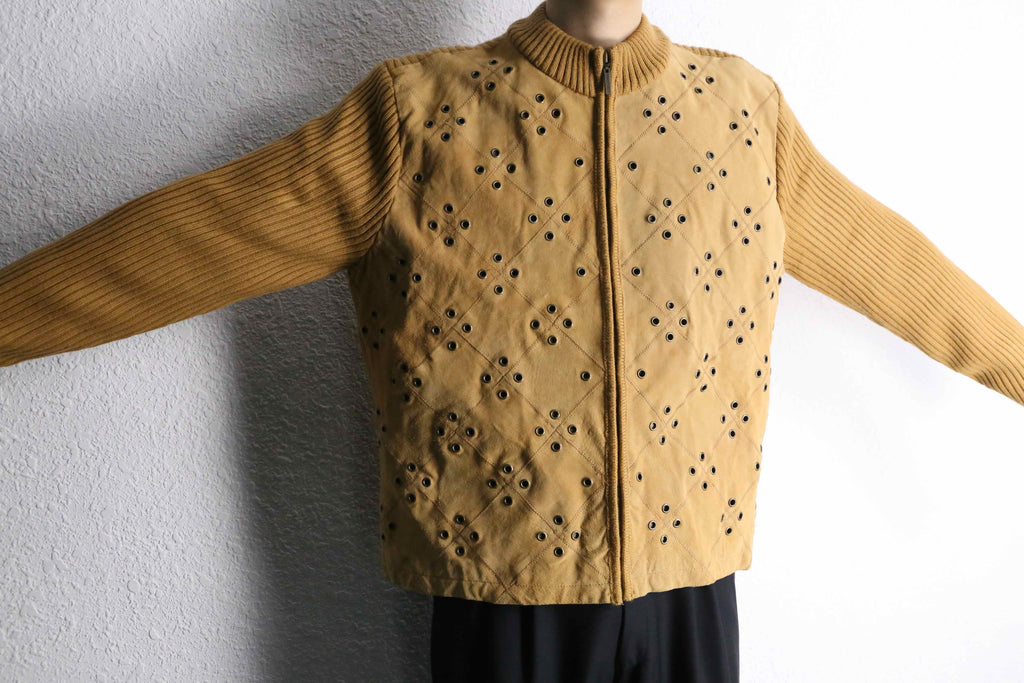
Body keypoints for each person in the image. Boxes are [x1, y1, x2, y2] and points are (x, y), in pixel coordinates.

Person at [3, 1, 1023, 681]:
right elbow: (194, 237)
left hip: (692, 592)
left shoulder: (742, 112)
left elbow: (897, 268)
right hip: (502, 596)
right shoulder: (418, 113)